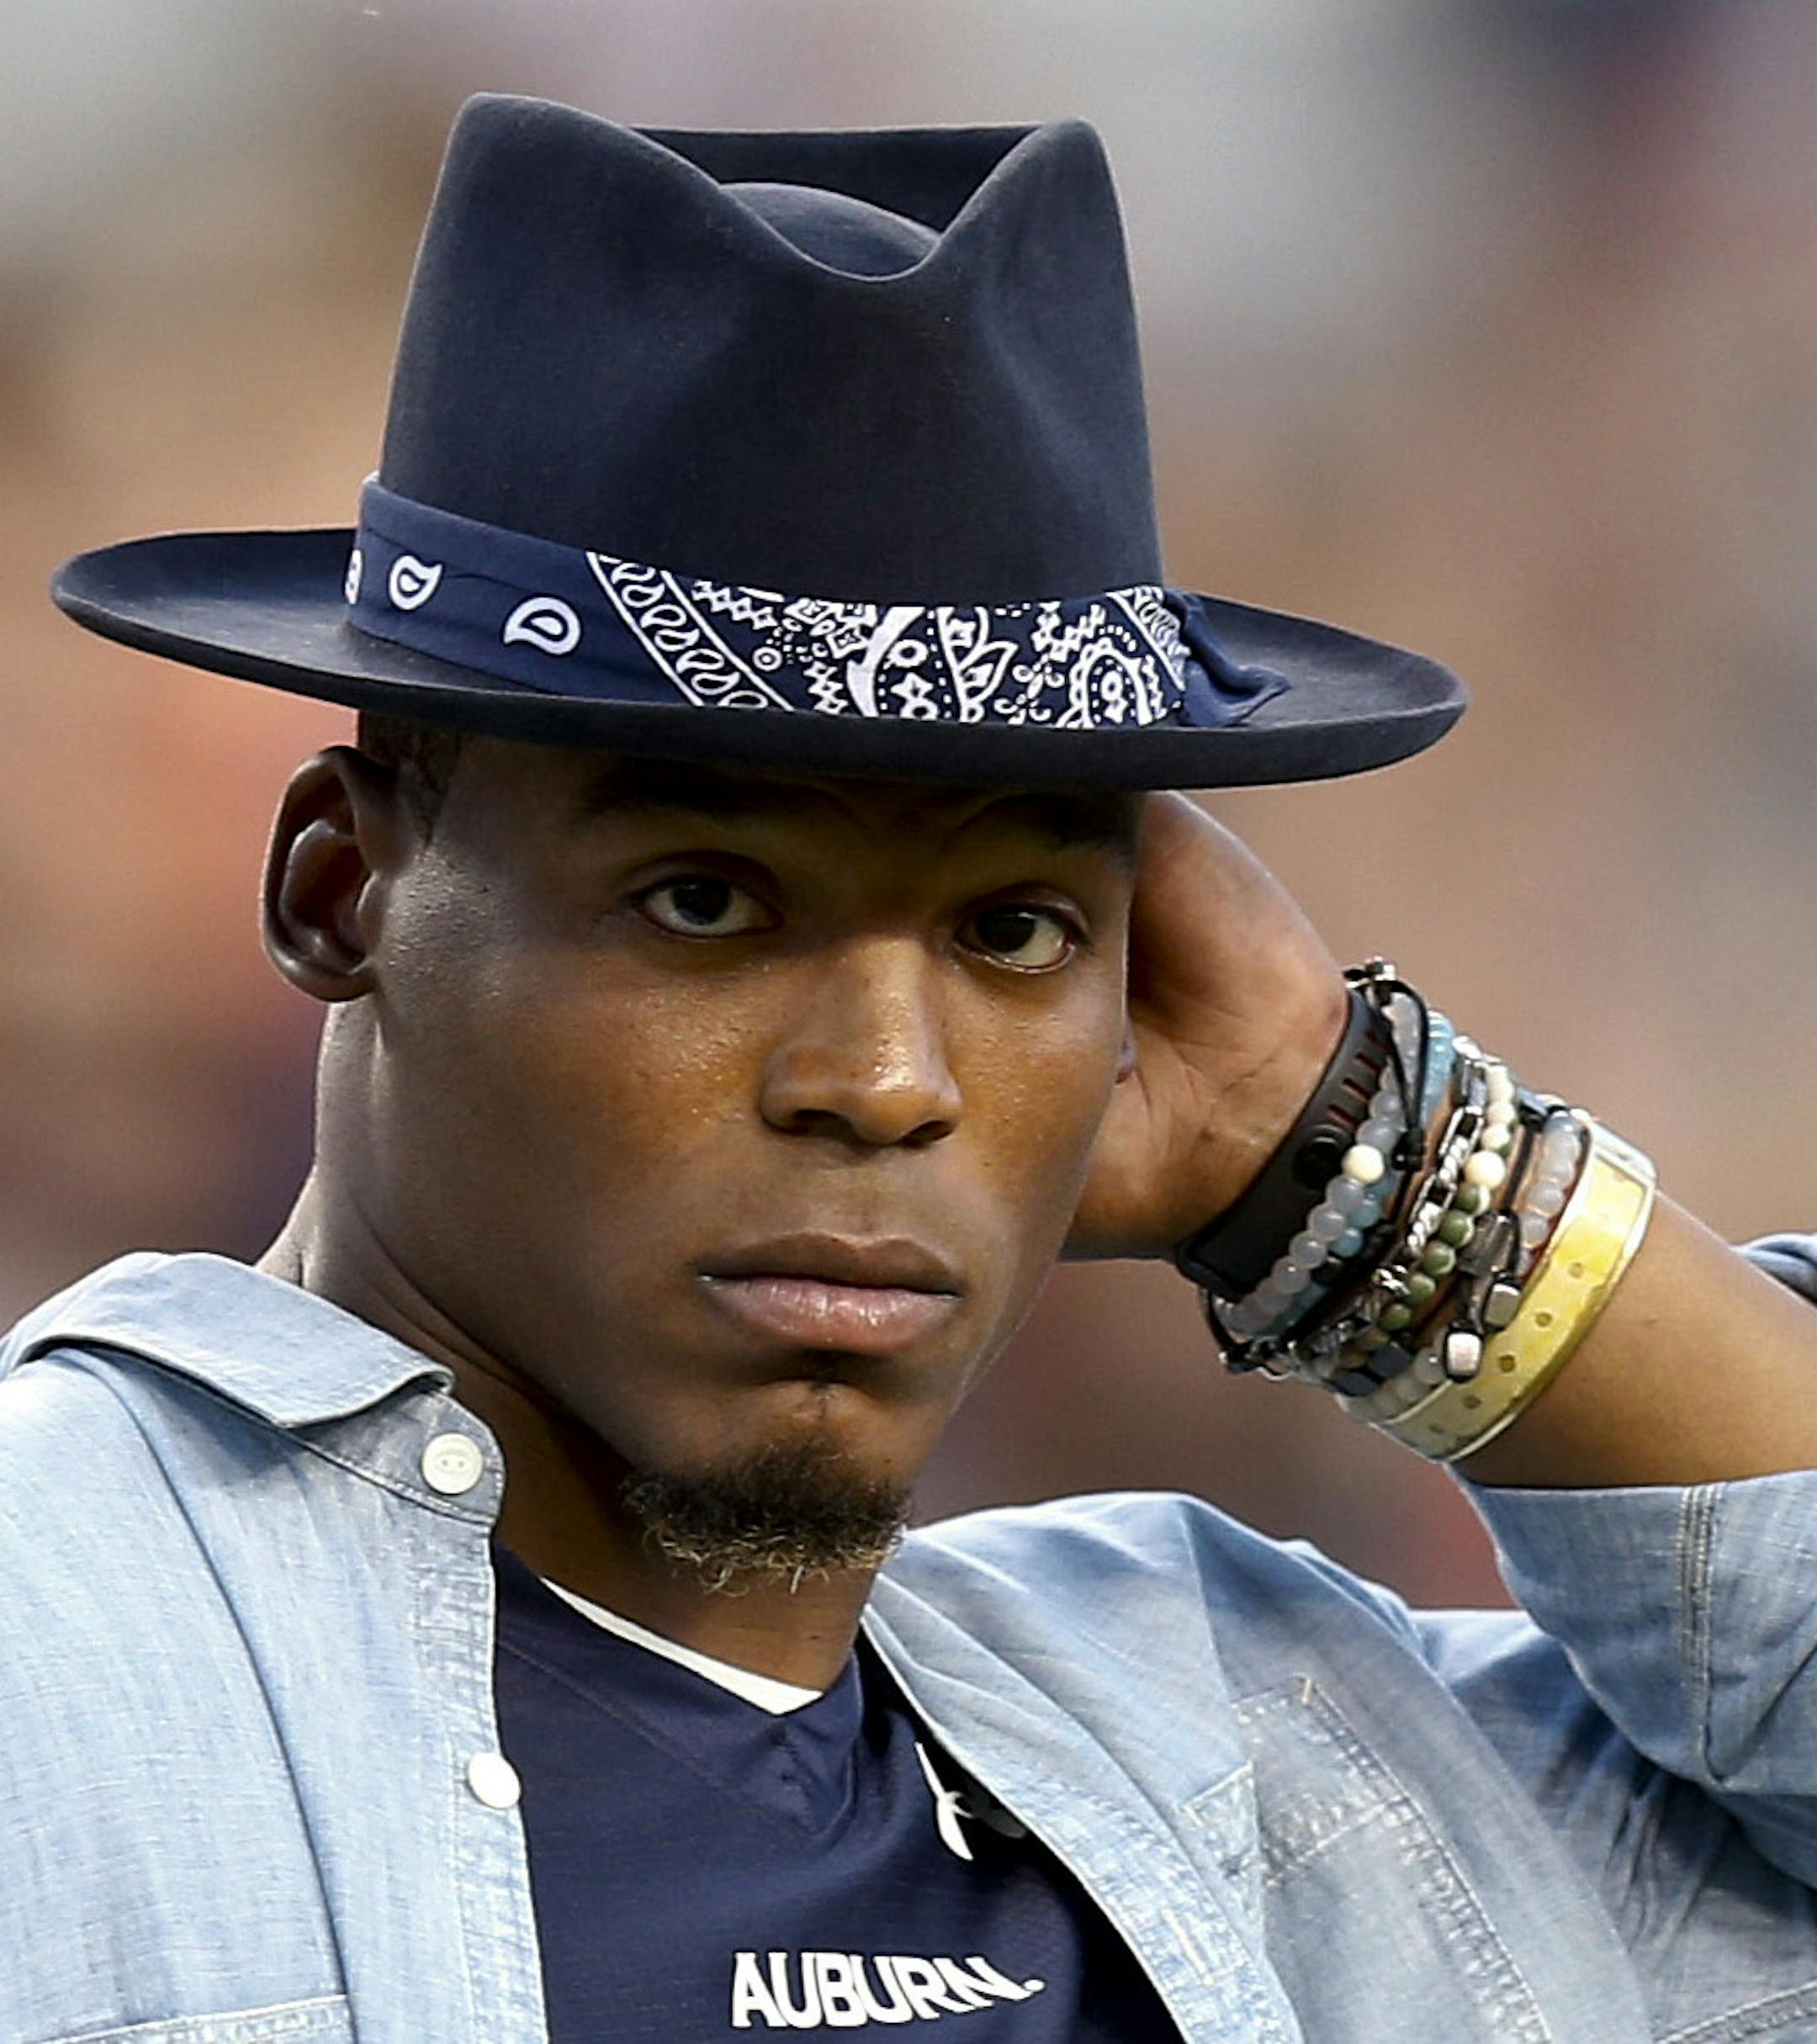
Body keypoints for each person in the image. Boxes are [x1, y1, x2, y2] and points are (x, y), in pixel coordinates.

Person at [13, 93, 1817, 2044]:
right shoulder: (55, 1651)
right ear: (342, 887)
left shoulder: (1292, 1763)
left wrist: (1364, 1171)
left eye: (1013, 932)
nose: (883, 1079)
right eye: (704, 900)